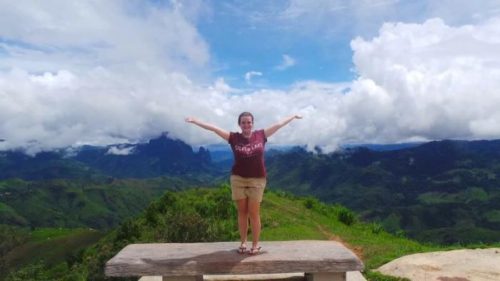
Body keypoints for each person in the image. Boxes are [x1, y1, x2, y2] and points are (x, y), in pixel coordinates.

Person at [185, 112, 302, 254]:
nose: (246, 125)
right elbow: (214, 128)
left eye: (249, 122)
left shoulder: (261, 135)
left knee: (254, 213)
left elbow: (278, 125)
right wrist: (196, 121)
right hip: (238, 179)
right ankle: (243, 242)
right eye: (243, 122)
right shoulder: (234, 138)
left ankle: (256, 244)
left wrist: (292, 116)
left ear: (253, 123)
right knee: (242, 213)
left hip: (257, 180)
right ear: (239, 124)